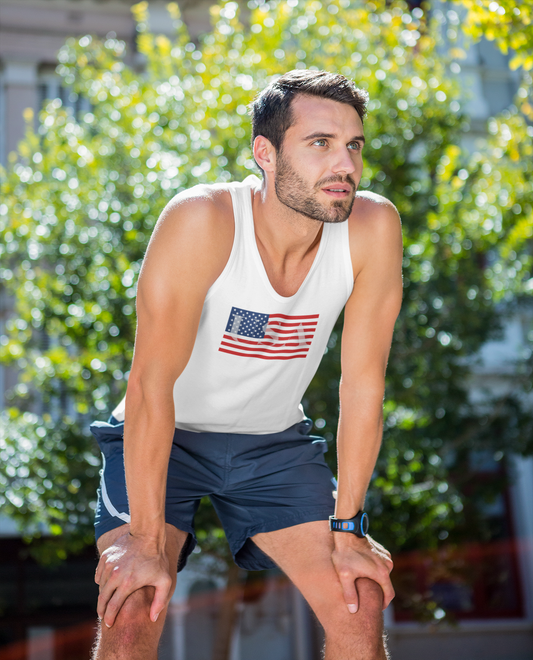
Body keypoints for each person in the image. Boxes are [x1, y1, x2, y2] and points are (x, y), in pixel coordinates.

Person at [90, 69, 403, 660]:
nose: (345, 164)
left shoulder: (372, 226)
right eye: (320, 144)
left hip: (273, 446)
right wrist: (146, 542)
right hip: (168, 438)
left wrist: (349, 529)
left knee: (359, 599)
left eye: (353, 146)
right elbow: (151, 386)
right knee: (132, 606)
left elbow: (363, 388)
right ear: (264, 152)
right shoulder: (203, 221)